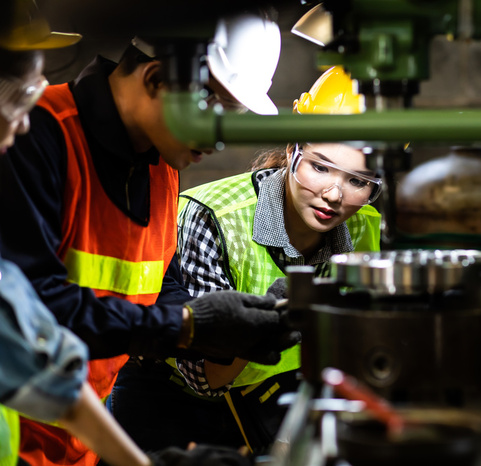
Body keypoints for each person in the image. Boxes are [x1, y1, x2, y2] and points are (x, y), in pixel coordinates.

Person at [0, 8, 299, 466]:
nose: (221, 141)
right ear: (157, 79)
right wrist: (186, 327)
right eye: (216, 114)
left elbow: (158, 281)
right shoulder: (32, 134)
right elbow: (36, 310)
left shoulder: (162, 162)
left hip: (83, 434)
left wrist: (235, 325)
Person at [108, 66, 382, 457]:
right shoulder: (210, 217)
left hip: (272, 396)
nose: (334, 194)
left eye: (358, 181)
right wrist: (270, 322)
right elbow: (205, 378)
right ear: (292, 153)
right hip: (173, 402)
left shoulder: (367, 229)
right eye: (320, 167)